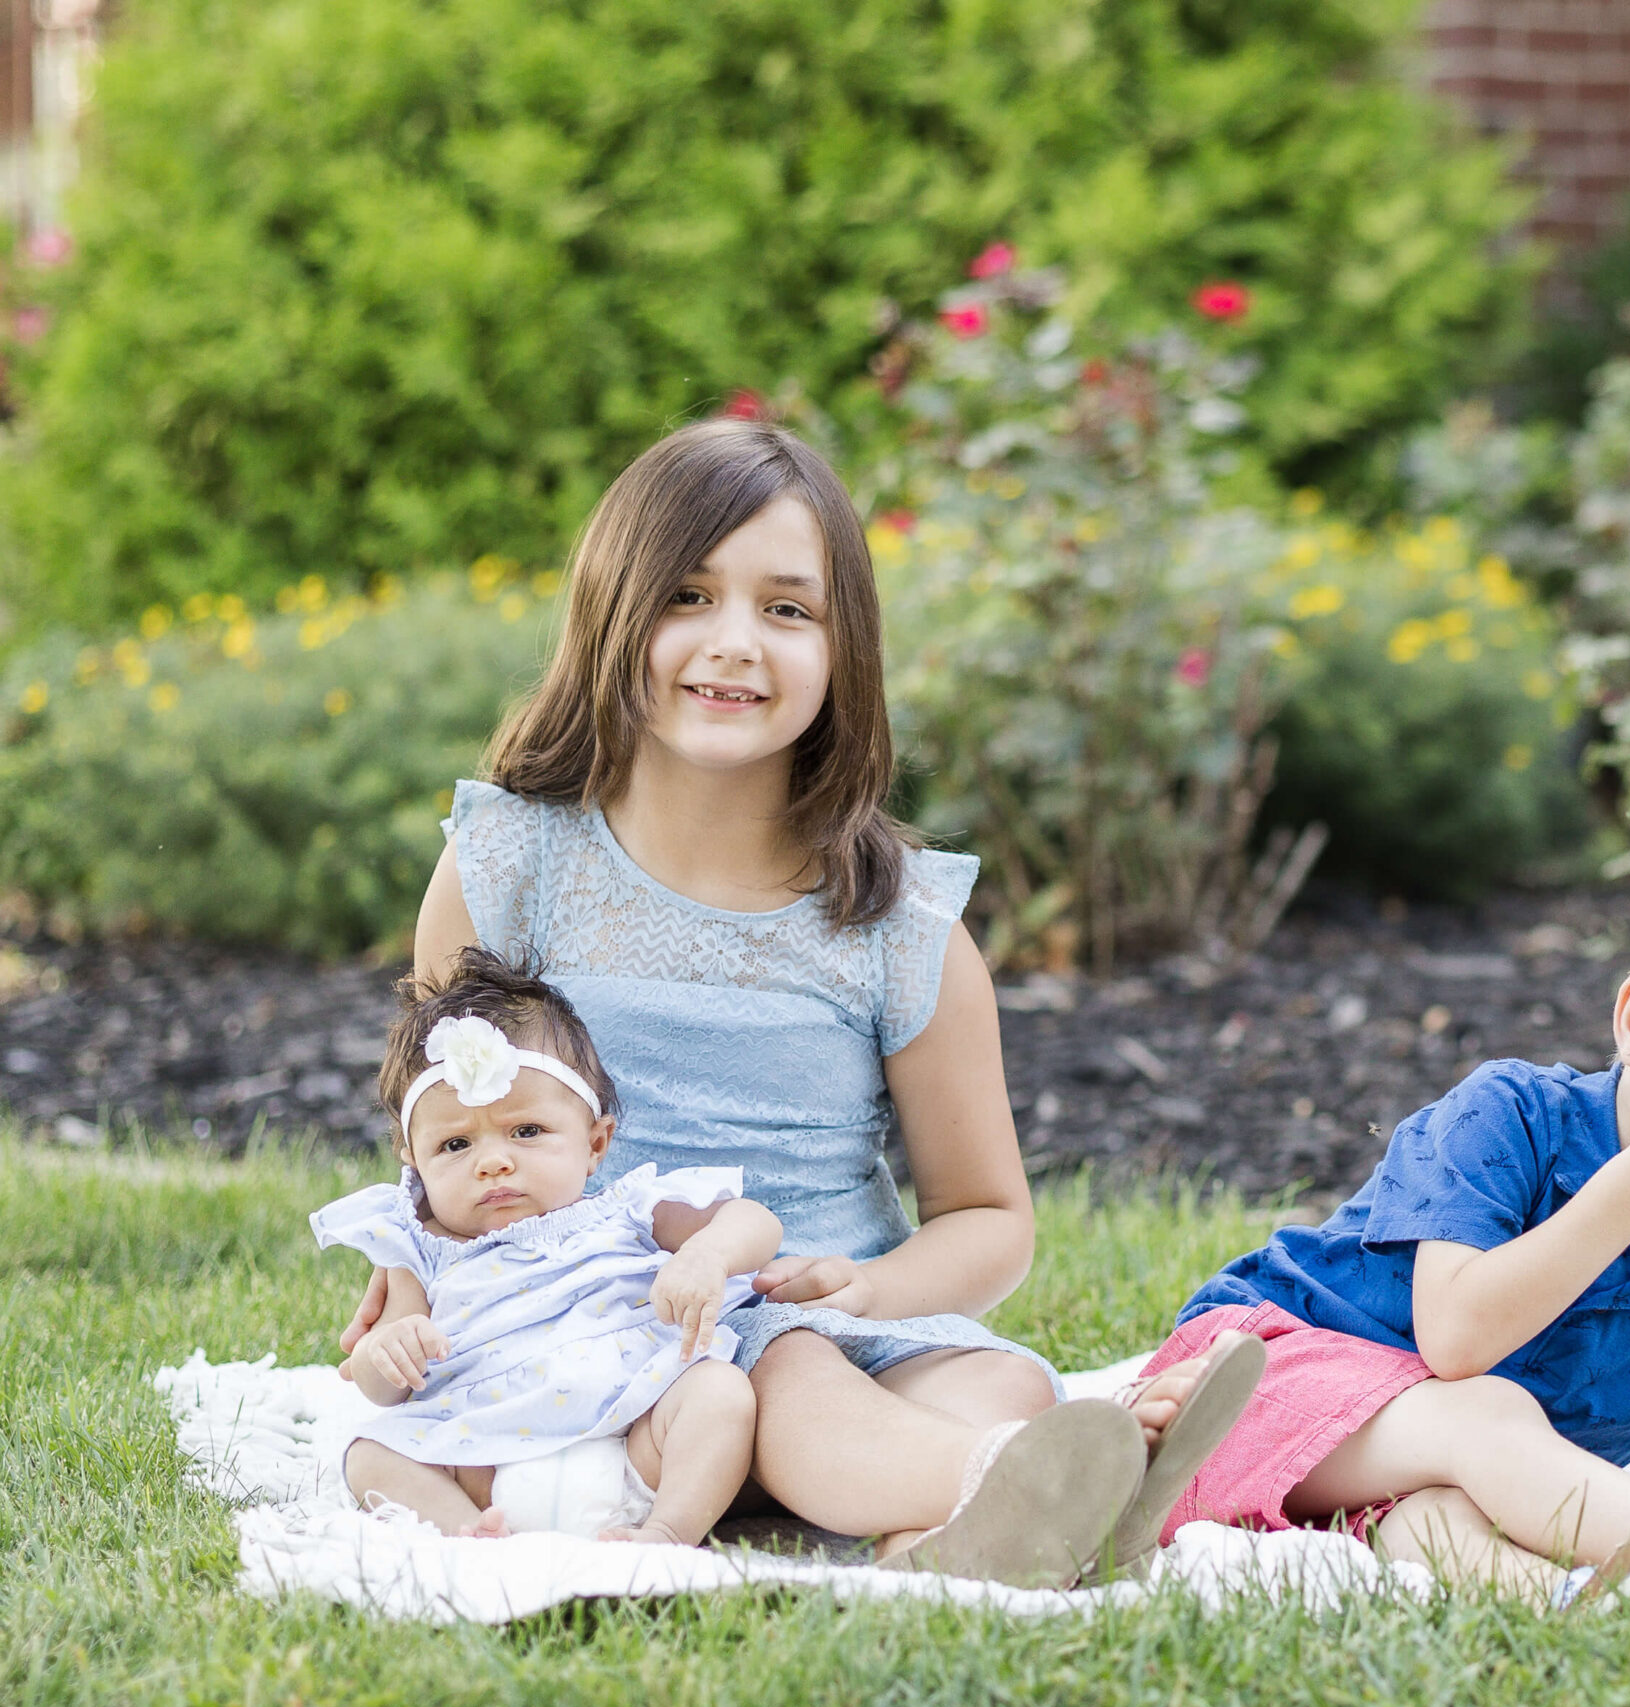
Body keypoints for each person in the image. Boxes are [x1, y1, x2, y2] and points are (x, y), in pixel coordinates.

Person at [342, 418, 1247, 1589]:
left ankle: (971, 1511)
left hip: (834, 1300)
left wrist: (867, 1287)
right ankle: (1061, 1478)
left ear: (843, 648)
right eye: (687, 596)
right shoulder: (510, 866)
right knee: (792, 1386)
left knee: (992, 1375)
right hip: (617, 1335)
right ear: (613, 613)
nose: (734, 644)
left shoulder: (901, 927)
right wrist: (416, 1263)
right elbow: (444, 1112)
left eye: (786, 609)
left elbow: (986, 1216)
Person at [1131, 839, 1630, 1607]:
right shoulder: (1510, 1117)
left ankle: (1594, 1609)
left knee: (1441, 1522)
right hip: (1240, 1393)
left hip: (1367, 1493)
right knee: (1485, 1416)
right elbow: (1456, 1341)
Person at [319, 951, 777, 1545]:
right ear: (415, 1162)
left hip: (635, 1436)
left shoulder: (626, 1209)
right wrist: (387, 1351)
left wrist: (707, 1255)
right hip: (487, 1462)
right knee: (369, 1453)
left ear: (595, 1143)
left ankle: (668, 1532)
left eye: (526, 1132)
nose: (493, 1161)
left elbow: (755, 1220)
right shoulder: (424, 1249)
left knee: (719, 1393)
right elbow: (384, 1389)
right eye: (455, 1145)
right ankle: (471, 1536)